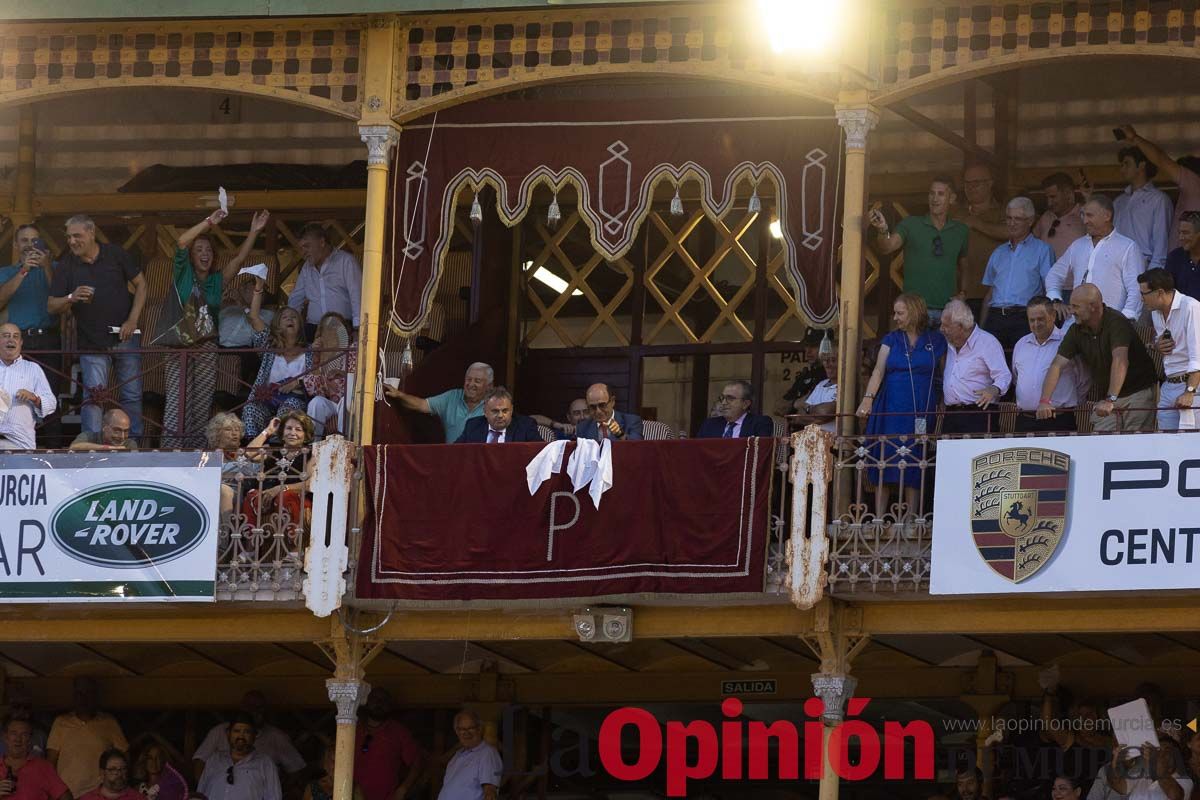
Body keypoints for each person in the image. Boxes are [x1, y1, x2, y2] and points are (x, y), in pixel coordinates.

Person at [161, 209, 269, 448]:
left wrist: (253, 232)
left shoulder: (216, 281)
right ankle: (171, 453)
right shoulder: (183, 273)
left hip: (207, 346)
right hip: (179, 346)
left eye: (208, 250)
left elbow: (239, 260)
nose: (204, 254)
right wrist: (209, 222)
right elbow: (180, 241)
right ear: (190, 256)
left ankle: (197, 454)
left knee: (201, 404)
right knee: (177, 405)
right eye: (199, 250)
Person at [47, 215, 147, 438]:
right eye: (69, 237)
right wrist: (71, 297)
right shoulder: (66, 265)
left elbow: (142, 284)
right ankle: (90, 449)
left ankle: (135, 447)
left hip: (125, 336)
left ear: (91, 233)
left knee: (131, 395)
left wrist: (133, 320)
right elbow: (52, 305)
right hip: (91, 341)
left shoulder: (115, 253)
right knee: (93, 398)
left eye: (77, 236)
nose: (72, 241)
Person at [856, 293, 947, 519]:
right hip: (891, 406)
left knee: (915, 460)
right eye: (894, 313)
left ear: (914, 312)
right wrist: (867, 399)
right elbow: (878, 370)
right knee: (883, 459)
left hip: (921, 408)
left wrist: (944, 404)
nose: (895, 318)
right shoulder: (891, 339)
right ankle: (879, 519)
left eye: (900, 313)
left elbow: (945, 374)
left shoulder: (935, 340)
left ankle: (911, 518)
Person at [1037, 283, 1157, 432]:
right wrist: (1044, 401)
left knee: (1135, 447)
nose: (1071, 311)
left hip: (1137, 392)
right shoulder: (1076, 329)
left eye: (1076, 307)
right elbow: (1057, 365)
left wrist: (1110, 400)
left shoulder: (1116, 321)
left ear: (1093, 306)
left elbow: (1120, 361)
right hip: (1107, 397)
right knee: (1101, 443)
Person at [869, 177, 970, 323]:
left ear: (952, 198)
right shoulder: (910, 224)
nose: (935, 198)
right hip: (915, 311)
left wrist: (963, 294)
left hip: (948, 313)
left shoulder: (961, 230)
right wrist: (883, 229)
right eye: (931, 193)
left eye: (941, 194)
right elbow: (887, 247)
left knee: (945, 347)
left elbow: (965, 267)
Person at [0, 224, 63, 444]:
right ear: (16, 245)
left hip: (48, 336)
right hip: (16, 342)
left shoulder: (54, 268)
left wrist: (46, 266)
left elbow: (61, 296)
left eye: (34, 240)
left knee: (50, 397)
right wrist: (23, 270)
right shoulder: (6, 272)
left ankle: (53, 452)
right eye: (24, 240)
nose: (29, 245)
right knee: (12, 396)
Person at [1045, 195, 1145, 322]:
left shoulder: (1128, 247)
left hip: (1110, 325)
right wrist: (1055, 299)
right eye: (1083, 215)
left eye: (1089, 215)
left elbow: (1136, 288)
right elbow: (1054, 274)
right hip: (1076, 324)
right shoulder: (1078, 245)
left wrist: (1125, 319)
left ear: (1107, 216)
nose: (1085, 221)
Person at [980, 197, 1056, 351]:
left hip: (1025, 317)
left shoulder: (1042, 250)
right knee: (990, 369)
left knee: (1023, 366)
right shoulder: (998, 252)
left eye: (1017, 219)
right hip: (995, 317)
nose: (1012, 223)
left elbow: (1050, 289)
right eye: (1009, 218)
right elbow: (989, 294)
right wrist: (981, 329)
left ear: (1030, 221)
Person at [242, 276, 310, 438]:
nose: (290, 319)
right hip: (267, 401)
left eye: (294, 317)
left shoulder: (311, 351)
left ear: (300, 324)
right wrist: (259, 287)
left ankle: (277, 451)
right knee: (250, 409)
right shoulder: (269, 348)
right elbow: (253, 318)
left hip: (295, 403)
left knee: (288, 407)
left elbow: (318, 377)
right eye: (285, 317)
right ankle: (253, 450)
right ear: (277, 325)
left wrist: (297, 382)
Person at [192, 691, 304, 784]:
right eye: (249, 707)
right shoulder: (219, 731)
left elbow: (296, 769)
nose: (254, 711)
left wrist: (278, 790)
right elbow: (200, 763)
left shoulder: (276, 738)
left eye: (259, 707)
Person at [1117, 125, 1200, 249]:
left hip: (1184, 262)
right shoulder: (1119, 201)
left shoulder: (1192, 183)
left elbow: (1161, 159)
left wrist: (1135, 137)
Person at [1012, 297, 1087, 433]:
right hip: (1025, 420)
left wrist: (1071, 404)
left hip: (1059, 419)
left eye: (1040, 319)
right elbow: (1016, 377)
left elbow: (1084, 379)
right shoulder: (1020, 344)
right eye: (1032, 320)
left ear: (1053, 316)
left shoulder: (1067, 341)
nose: (1036, 324)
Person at [1138, 268, 1200, 431]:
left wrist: (1190, 391)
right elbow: (1167, 343)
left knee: (1193, 445)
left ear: (1159, 292)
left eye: (1144, 294)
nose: (1141, 299)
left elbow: (1197, 356)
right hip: (1169, 385)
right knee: (1167, 442)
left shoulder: (1191, 307)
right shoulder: (1155, 312)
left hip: (1192, 385)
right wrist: (1156, 345)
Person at [939, 299, 1011, 434]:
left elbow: (1004, 375)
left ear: (961, 326)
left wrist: (993, 389)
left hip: (979, 414)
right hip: (951, 415)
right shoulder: (948, 343)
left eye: (946, 325)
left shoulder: (987, 342)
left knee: (980, 456)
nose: (941, 329)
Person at [47, 678, 127, 799]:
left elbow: (124, 756)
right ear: (74, 697)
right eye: (80, 694)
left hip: (101, 795)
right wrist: (57, 793)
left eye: (88, 693)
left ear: (95, 696)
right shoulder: (61, 722)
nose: (84, 699)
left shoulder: (109, 722)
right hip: (68, 795)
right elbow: (50, 762)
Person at [384, 363, 493, 443]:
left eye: (477, 381)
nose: (471, 384)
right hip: (452, 463)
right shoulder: (452, 397)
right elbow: (422, 405)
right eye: (468, 379)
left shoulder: (495, 405)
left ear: (489, 386)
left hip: (480, 464)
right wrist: (399, 395)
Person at [287, 223, 362, 340]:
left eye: (307, 246)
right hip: (313, 329)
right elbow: (295, 299)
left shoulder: (346, 261)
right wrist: (289, 326)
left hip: (343, 328)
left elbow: (357, 296)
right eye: (301, 248)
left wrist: (358, 328)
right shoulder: (306, 268)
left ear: (322, 242)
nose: (303, 252)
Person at [955, 163, 1009, 317]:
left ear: (990, 183)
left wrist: (976, 223)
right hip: (963, 295)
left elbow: (1010, 232)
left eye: (976, 183)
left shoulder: (1003, 211)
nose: (971, 188)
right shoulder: (956, 214)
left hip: (996, 295)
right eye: (967, 184)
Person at [354, 688, 423, 800]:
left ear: (390, 705)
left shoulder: (399, 732)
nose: (379, 703)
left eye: (384, 700)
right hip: (351, 796)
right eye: (375, 699)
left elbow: (416, 763)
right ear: (367, 702)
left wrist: (402, 789)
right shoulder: (353, 729)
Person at [1113, 145, 1174, 269]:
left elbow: (1161, 243)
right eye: (1121, 165)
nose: (1122, 169)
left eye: (1127, 164)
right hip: (1116, 266)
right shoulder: (1119, 201)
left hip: (1143, 265)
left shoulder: (1159, 199)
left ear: (1141, 165)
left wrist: (1153, 276)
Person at [195, 713, 281, 800]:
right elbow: (201, 794)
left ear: (254, 736)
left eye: (247, 732)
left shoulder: (265, 764)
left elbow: (274, 797)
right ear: (228, 734)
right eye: (236, 731)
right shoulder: (215, 759)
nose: (241, 736)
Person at [0, 323, 56, 449]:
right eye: (6, 336)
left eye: (15, 336)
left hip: (20, 443)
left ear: (20, 343)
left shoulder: (32, 369)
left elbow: (51, 403)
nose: (11, 340)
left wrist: (34, 398)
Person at [303, 312, 356, 438]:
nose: (332, 330)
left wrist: (342, 373)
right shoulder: (318, 354)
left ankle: (343, 442)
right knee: (316, 402)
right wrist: (316, 355)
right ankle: (314, 444)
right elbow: (315, 390)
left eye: (336, 325)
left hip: (351, 401)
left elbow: (355, 379)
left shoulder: (353, 349)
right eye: (327, 327)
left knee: (345, 402)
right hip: (331, 403)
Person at [1, 716, 70, 800]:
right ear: (5, 737)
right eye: (13, 733)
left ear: (30, 740)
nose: (18, 739)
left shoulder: (43, 767)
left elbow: (65, 797)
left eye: (24, 734)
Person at [436, 710, 502, 800]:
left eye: (471, 728)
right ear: (457, 731)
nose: (466, 732)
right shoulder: (456, 756)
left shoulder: (487, 753)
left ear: (479, 729)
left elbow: (490, 792)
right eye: (462, 729)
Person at [206, 412, 259, 520]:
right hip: (208, 494)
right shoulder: (207, 456)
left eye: (237, 430)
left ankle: (224, 536)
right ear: (217, 433)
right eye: (228, 429)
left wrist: (250, 458)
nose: (234, 433)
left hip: (235, 497)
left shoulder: (243, 456)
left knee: (225, 490)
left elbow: (253, 473)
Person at [455, 387, 541, 443]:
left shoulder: (526, 426)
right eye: (495, 411)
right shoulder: (473, 425)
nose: (500, 415)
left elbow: (541, 453)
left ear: (511, 410)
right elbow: (455, 451)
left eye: (505, 411)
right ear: (485, 412)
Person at [1034, 173, 1086, 260]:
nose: (1049, 203)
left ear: (1068, 194)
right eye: (1047, 198)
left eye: (1053, 197)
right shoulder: (1045, 217)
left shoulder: (1084, 215)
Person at [696, 380, 774, 438]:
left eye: (730, 398)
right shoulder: (709, 425)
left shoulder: (760, 423)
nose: (723, 403)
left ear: (745, 404)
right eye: (722, 398)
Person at [575, 382, 643, 441]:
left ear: (612, 401)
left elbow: (638, 446)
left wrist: (620, 435)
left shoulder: (632, 421)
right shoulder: (582, 428)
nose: (598, 411)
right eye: (592, 407)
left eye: (602, 405)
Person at [792, 349, 838, 432]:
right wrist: (820, 418)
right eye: (825, 360)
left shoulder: (846, 387)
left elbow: (825, 412)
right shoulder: (821, 384)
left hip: (834, 440)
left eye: (833, 360)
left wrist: (807, 407)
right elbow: (799, 416)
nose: (827, 365)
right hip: (811, 439)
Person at [1166, 210, 1200, 302]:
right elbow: (1168, 294)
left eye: (1185, 233)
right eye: (1179, 233)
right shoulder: (1175, 257)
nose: (1180, 238)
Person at [69, 409, 136, 452]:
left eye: (126, 431)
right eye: (117, 431)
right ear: (104, 427)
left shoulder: (129, 444)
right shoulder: (88, 436)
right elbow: (73, 447)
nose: (122, 437)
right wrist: (107, 448)